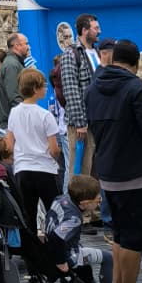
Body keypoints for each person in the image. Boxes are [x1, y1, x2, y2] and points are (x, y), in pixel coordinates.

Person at [84, 38, 142, 283]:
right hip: (134, 173)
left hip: (106, 172)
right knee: (134, 238)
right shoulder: (135, 88)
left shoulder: (93, 88)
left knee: (118, 234)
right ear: (136, 64)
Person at [2, 68, 62, 233]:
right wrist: (53, 158)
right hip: (44, 168)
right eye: (43, 86)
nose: (46, 88)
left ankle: (32, 252)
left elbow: (9, 144)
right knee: (53, 211)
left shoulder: (14, 113)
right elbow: (54, 149)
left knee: (28, 213)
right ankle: (55, 247)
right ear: (35, 89)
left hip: (23, 168)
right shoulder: (45, 115)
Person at [44, 172, 113, 283]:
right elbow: (56, 237)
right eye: (98, 200)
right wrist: (61, 262)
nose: (99, 202)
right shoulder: (74, 219)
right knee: (108, 258)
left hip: (49, 249)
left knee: (87, 254)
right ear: (85, 203)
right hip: (68, 254)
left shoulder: (61, 198)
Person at [59, 14, 100, 179]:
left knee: (95, 172)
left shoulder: (96, 52)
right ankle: (74, 204)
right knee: (80, 172)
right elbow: (71, 90)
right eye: (96, 28)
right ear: (84, 30)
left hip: (97, 121)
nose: (99, 31)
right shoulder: (71, 54)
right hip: (82, 124)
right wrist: (80, 123)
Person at [0, 32, 31, 126]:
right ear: (17, 46)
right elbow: (14, 96)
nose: (29, 47)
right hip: (14, 124)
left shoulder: (14, 63)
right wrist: (26, 118)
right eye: (26, 44)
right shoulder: (11, 65)